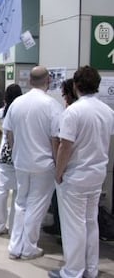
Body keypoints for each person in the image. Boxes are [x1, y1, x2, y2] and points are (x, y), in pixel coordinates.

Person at [48, 66, 114, 278]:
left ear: (76, 86)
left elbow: (65, 147)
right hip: (97, 174)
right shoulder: (107, 111)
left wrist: (58, 172)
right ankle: (91, 269)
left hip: (76, 176)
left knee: (73, 226)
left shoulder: (72, 112)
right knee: (90, 222)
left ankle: (73, 271)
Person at [3, 66, 63, 260]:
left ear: (29, 81)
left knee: (21, 203)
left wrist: (15, 154)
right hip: (43, 165)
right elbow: (56, 139)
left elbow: (9, 134)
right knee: (36, 206)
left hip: (21, 162)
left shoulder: (16, 104)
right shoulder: (52, 105)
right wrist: (58, 164)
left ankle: (15, 246)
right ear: (48, 81)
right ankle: (28, 247)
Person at [43, 78, 78, 237]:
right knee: (87, 217)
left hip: (71, 168)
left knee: (66, 209)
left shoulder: (71, 114)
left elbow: (62, 144)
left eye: (64, 95)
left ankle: (62, 233)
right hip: (94, 171)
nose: (64, 98)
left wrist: (58, 170)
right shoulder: (103, 111)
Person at [0, 84, 22, 236]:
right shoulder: (22, 112)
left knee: (1, 191)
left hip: (4, 155)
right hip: (19, 155)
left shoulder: (2, 111)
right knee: (18, 193)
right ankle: (14, 226)